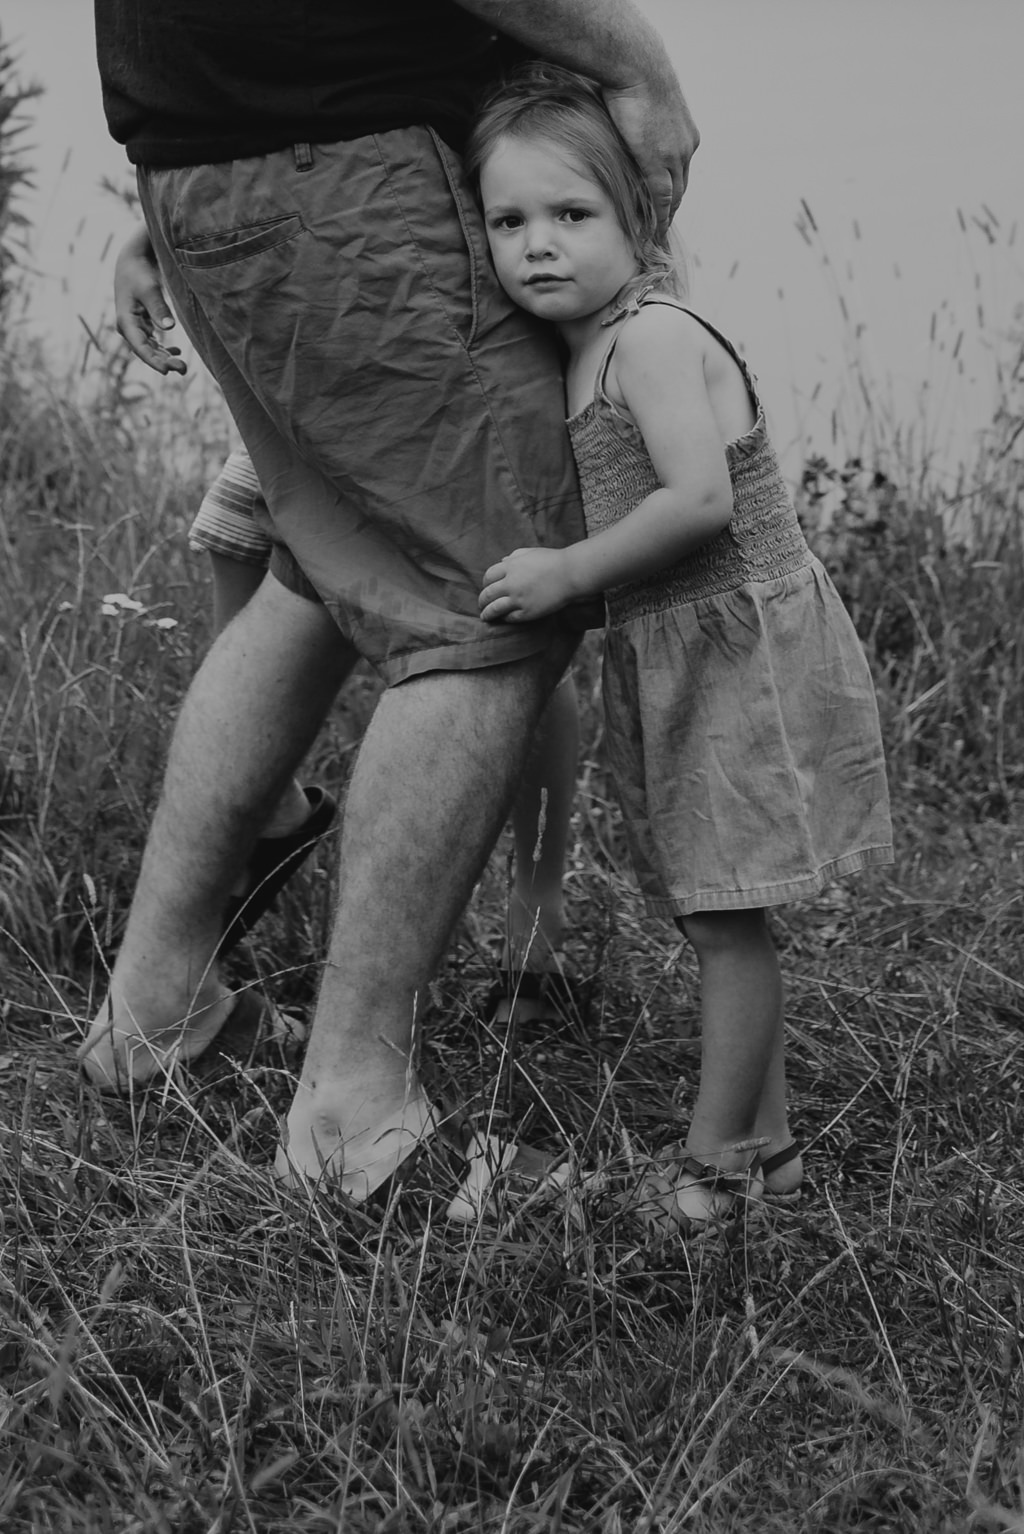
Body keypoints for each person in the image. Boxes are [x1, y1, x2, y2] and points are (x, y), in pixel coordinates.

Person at [79, 2, 698, 1204]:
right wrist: (636, 65)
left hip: (210, 165)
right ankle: (353, 1115)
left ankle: (150, 1016)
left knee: (317, 567)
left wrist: (172, 167)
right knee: (494, 603)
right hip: (347, 180)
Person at [468, 64, 894, 1227]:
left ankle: (714, 1170)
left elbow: (698, 499)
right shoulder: (586, 342)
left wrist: (567, 574)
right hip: (685, 648)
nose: (537, 246)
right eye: (510, 222)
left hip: (735, 647)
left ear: (639, 220)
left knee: (723, 913)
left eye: (572, 215)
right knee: (715, 898)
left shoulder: (650, 340)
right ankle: (772, 1153)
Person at [112, 220, 584, 998]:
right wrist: (151, 236)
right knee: (242, 532)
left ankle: (537, 913)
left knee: (495, 608)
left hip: (453, 304)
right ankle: (270, 807)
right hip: (331, 293)